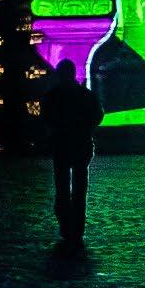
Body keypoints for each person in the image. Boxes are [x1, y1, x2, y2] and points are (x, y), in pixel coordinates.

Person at [39, 58, 98, 247]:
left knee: (62, 188)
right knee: (80, 190)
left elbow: (45, 117)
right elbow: (98, 114)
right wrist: (86, 130)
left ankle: (66, 227)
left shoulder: (53, 96)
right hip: (81, 146)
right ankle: (77, 229)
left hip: (61, 146)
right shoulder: (85, 95)